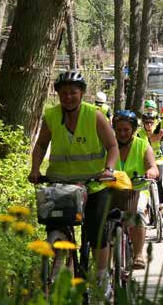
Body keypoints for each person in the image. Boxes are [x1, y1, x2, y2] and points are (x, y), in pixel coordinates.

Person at [29, 69, 119, 290]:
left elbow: (112, 146)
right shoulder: (51, 116)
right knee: (53, 224)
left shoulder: (95, 115)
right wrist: (35, 168)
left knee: (96, 229)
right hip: (60, 183)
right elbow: (40, 145)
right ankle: (63, 265)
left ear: (82, 94)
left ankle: (101, 275)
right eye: (64, 93)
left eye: (73, 92)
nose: (68, 97)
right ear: (58, 95)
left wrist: (108, 169)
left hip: (94, 183)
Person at [112, 110, 159, 269]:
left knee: (138, 213)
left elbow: (153, 167)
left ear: (133, 130)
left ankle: (138, 254)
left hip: (137, 190)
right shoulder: (108, 144)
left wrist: (151, 172)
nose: (122, 133)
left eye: (126, 130)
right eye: (118, 130)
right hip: (113, 190)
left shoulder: (142, 145)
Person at [137, 112, 163, 208]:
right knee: (144, 182)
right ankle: (146, 205)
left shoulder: (157, 132)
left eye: (151, 123)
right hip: (145, 161)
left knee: (159, 181)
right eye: (147, 123)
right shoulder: (139, 134)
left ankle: (161, 204)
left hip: (158, 159)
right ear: (143, 123)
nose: (149, 125)